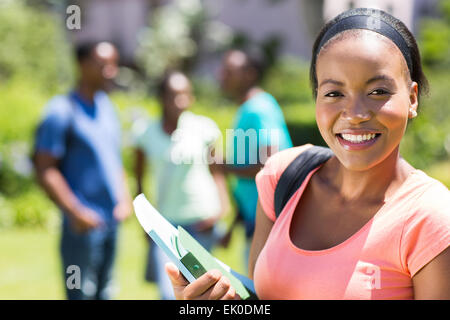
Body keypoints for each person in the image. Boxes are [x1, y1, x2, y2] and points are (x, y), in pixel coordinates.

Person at [165, 8, 450, 300]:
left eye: (377, 91)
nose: (355, 114)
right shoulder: (284, 176)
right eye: (334, 93)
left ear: (412, 98)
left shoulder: (429, 217)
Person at [33, 41, 132, 300]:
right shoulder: (61, 112)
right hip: (81, 226)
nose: (111, 71)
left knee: (106, 292)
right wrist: (76, 211)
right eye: (103, 65)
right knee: (80, 294)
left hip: (112, 221)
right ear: (82, 65)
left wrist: (124, 198)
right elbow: (45, 170)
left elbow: (114, 159)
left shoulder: (107, 108)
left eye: (114, 64)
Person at [132, 70, 231, 300]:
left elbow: (217, 172)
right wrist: (144, 221)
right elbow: (138, 178)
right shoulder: (145, 133)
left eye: (184, 94)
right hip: (166, 224)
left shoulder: (204, 128)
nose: (179, 101)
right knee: (169, 292)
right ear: (161, 97)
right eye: (173, 95)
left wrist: (222, 210)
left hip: (202, 221)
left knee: (204, 292)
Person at [210, 49, 293, 265]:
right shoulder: (247, 108)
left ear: (250, 74)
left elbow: (270, 166)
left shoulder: (259, 108)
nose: (222, 75)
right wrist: (232, 226)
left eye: (230, 71)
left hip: (270, 220)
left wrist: (223, 167)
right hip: (254, 219)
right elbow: (248, 184)